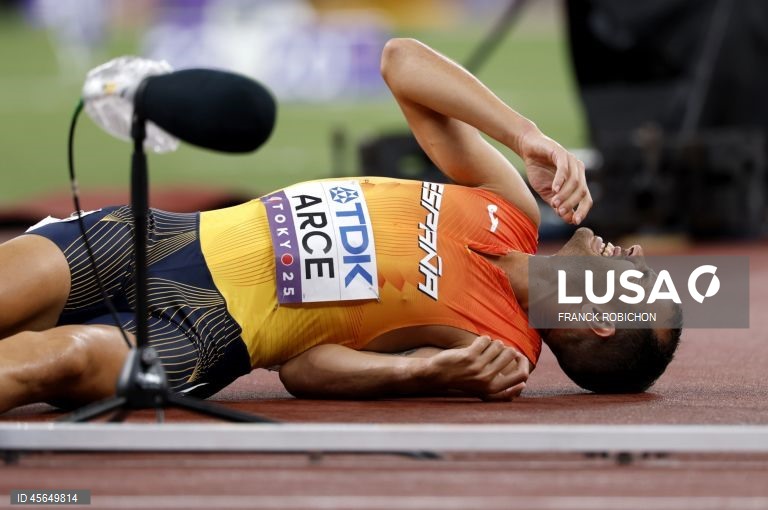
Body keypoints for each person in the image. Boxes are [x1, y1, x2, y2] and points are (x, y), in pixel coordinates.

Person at [0, 38, 680, 415]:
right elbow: (402, 63)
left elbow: (305, 365)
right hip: (154, 238)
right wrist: (522, 134)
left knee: (49, 363)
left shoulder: (493, 350)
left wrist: (424, 374)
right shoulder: (514, 210)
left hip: (206, 333)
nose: (636, 252)